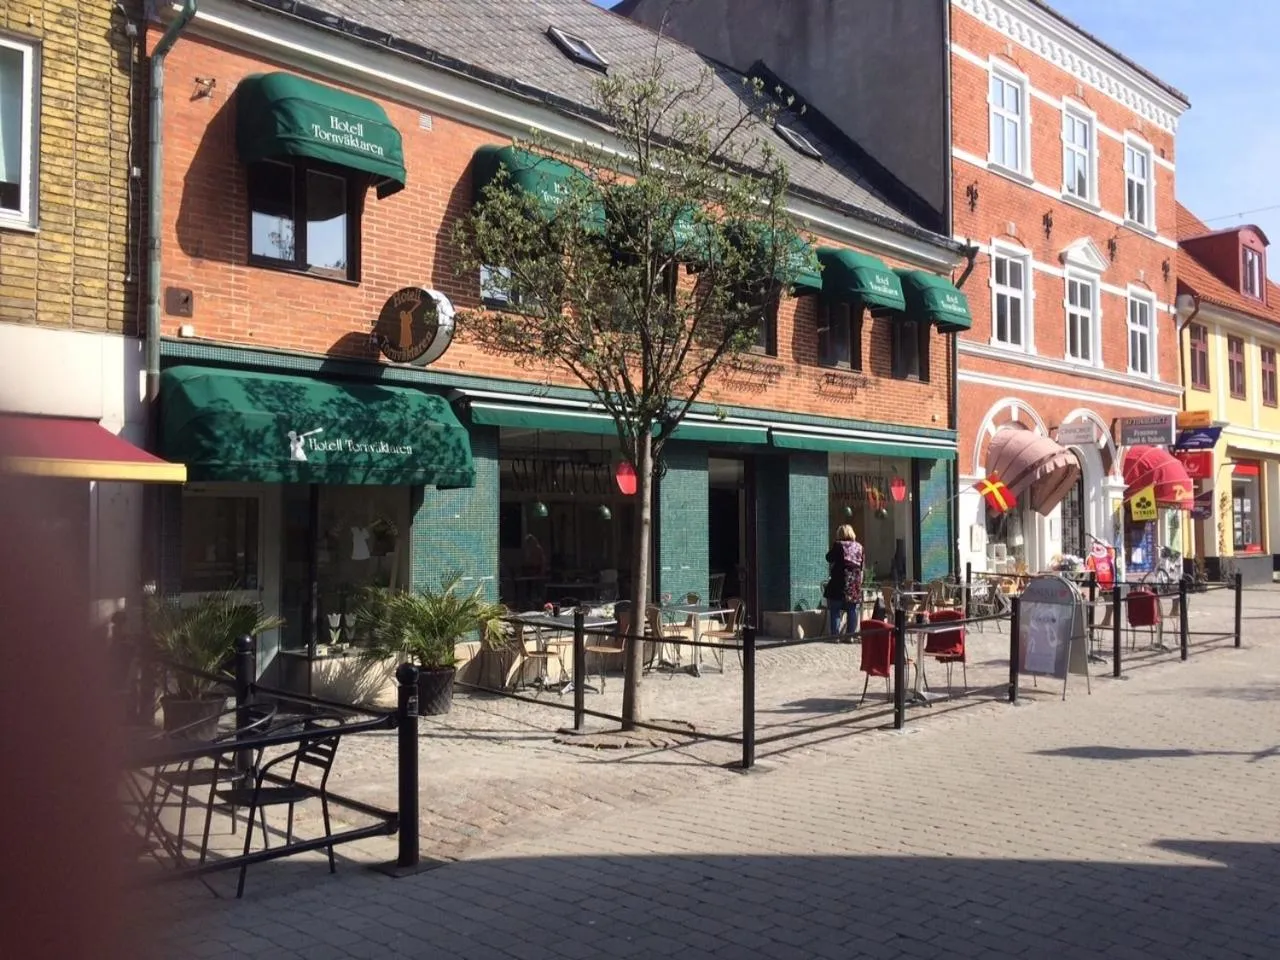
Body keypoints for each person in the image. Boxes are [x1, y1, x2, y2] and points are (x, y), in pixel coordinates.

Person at [824, 524, 865, 642]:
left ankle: (835, 637)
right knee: (852, 609)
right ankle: (850, 636)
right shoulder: (859, 547)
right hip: (854, 583)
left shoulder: (838, 545)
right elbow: (862, 566)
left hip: (839, 581)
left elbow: (828, 557)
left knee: (835, 609)